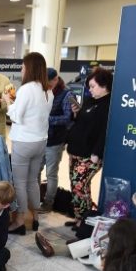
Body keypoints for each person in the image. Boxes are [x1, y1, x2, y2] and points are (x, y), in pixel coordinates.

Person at [5, 52, 52, 234]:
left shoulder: (26, 89)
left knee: (19, 182)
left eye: (23, 66)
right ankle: (36, 217)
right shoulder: (47, 90)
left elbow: (17, 117)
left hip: (24, 141)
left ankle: (21, 219)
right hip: (40, 141)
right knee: (33, 180)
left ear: (29, 68)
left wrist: (9, 102)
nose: (21, 69)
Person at [65, 67, 113, 226]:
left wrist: (97, 153)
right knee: (76, 187)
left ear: (104, 85)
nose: (90, 90)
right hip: (76, 151)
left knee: (80, 186)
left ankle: (84, 221)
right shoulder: (90, 100)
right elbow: (82, 123)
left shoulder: (108, 105)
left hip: (90, 154)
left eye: (93, 86)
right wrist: (77, 113)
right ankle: (79, 218)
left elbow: (104, 131)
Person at [42, 68, 74, 212]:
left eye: (49, 82)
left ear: (56, 79)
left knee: (51, 173)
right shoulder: (42, 91)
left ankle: (49, 203)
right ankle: (35, 201)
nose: (47, 85)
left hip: (55, 141)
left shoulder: (67, 94)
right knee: (35, 171)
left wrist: (47, 120)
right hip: (39, 138)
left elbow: (68, 118)